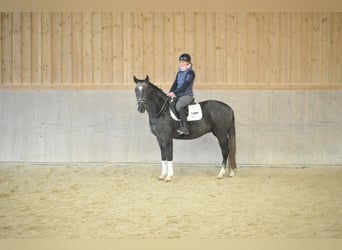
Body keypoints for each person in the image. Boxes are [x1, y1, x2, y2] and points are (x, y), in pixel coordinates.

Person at [167, 53, 195, 135]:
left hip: (187, 96)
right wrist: (169, 92)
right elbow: (175, 84)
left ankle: (185, 127)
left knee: (178, 106)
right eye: (181, 61)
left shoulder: (190, 73)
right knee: (171, 105)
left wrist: (174, 92)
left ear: (188, 62)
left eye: (184, 61)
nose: (182, 63)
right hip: (179, 95)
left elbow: (185, 86)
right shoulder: (179, 73)